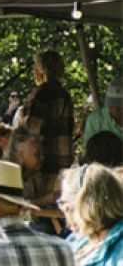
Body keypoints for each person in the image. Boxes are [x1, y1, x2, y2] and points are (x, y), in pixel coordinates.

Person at [19, 48, 75, 177]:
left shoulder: (41, 95)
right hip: (63, 164)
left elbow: (30, 133)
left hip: (42, 166)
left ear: (40, 69)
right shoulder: (64, 95)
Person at [11, 127, 59, 208]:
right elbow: (14, 208)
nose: (42, 157)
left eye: (42, 153)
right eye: (37, 154)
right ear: (21, 155)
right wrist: (44, 201)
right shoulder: (9, 177)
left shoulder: (34, 173)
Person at [82, 76, 123, 149]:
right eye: (112, 105)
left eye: (120, 106)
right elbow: (88, 152)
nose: (115, 109)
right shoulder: (95, 120)